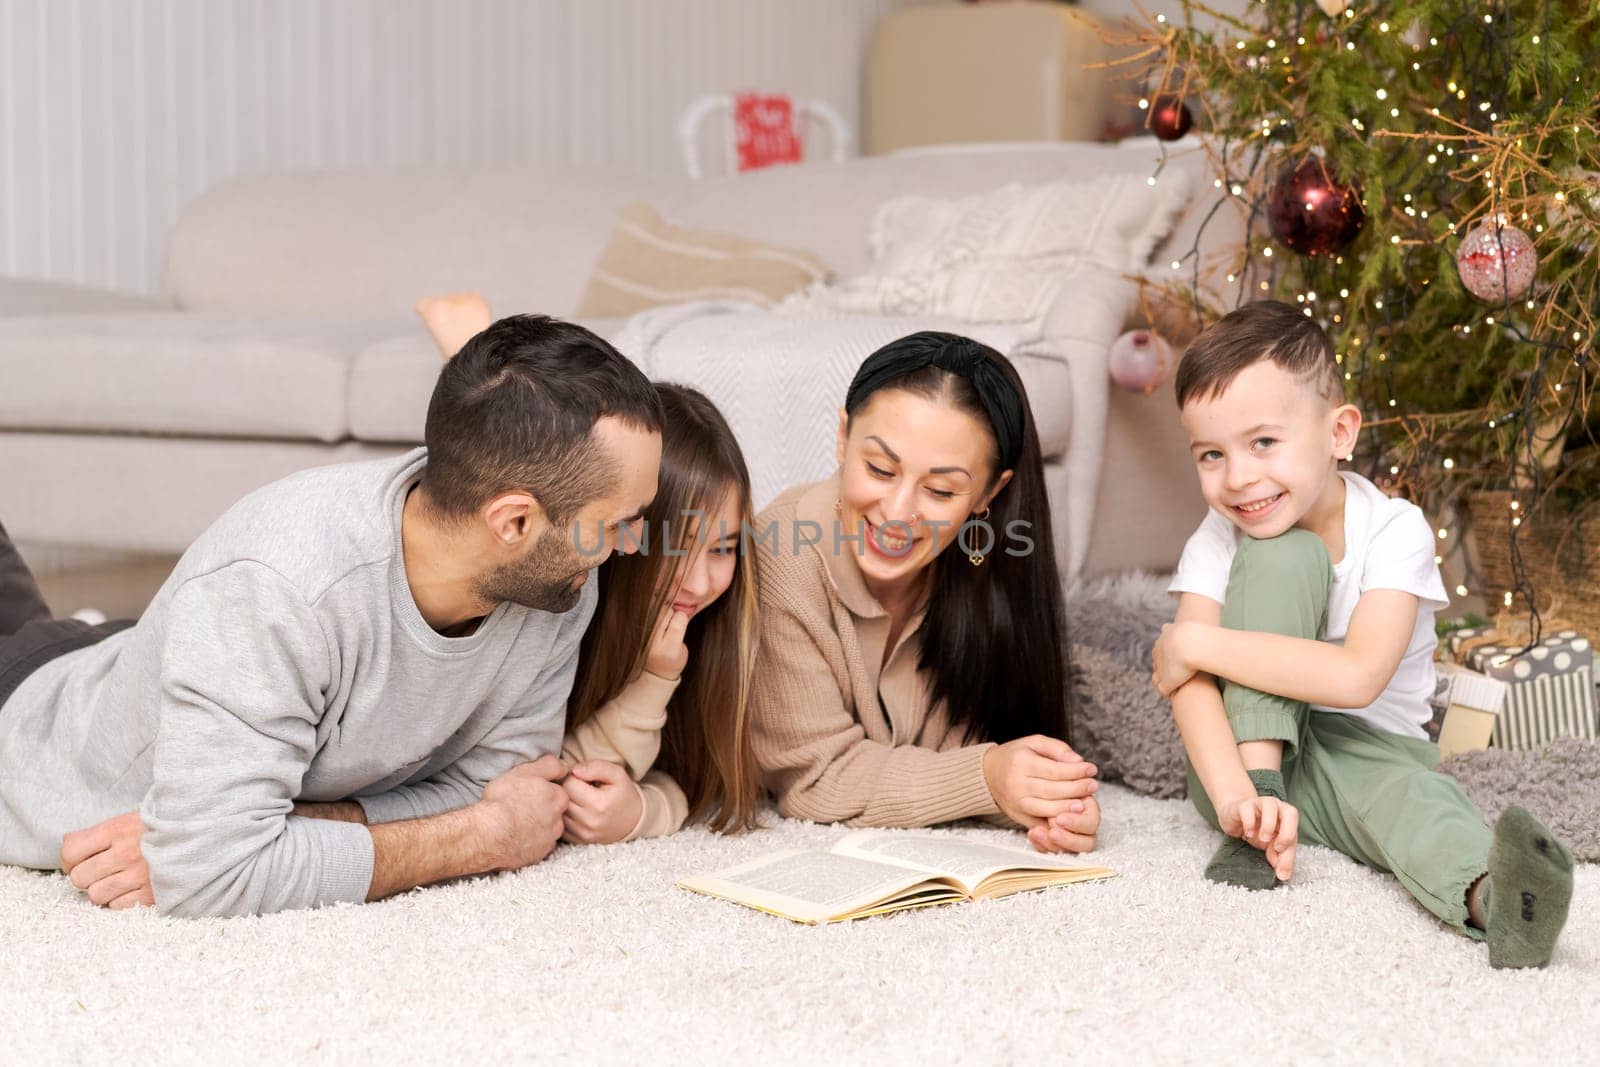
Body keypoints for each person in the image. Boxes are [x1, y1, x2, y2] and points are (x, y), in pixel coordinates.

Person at [1, 314, 663, 917]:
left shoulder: (557, 577)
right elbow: (213, 872)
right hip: (27, 707)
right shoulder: (280, 584)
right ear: (513, 521)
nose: (633, 544)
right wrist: (481, 836)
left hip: (150, 655)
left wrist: (272, 828)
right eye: (620, 522)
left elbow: (497, 786)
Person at [1153, 299, 1574, 969]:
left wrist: (1192, 642)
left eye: (1263, 441)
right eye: (1211, 453)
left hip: (1375, 750)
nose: (1238, 477)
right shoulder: (1219, 537)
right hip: (1235, 762)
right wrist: (1237, 795)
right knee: (1281, 554)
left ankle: (1496, 900)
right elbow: (1191, 691)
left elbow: (1356, 676)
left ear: (1339, 432)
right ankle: (1260, 815)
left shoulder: (1394, 527)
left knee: (1413, 806)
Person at [419, 297, 761, 843]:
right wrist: (653, 681)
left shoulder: (718, 623)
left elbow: (706, 779)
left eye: (724, 548)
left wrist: (646, 812)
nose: (700, 584)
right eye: (678, 550)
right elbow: (554, 783)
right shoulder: (557, 589)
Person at [744, 331, 1101, 854]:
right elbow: (813, 778)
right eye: (880, 469)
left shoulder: (985, 562)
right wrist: (988, 779)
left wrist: (1051, 796)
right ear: (843, 438)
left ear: (989, 493)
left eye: (940, 491)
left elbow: (984, 741)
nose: (897, 512)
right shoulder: (781, 560)